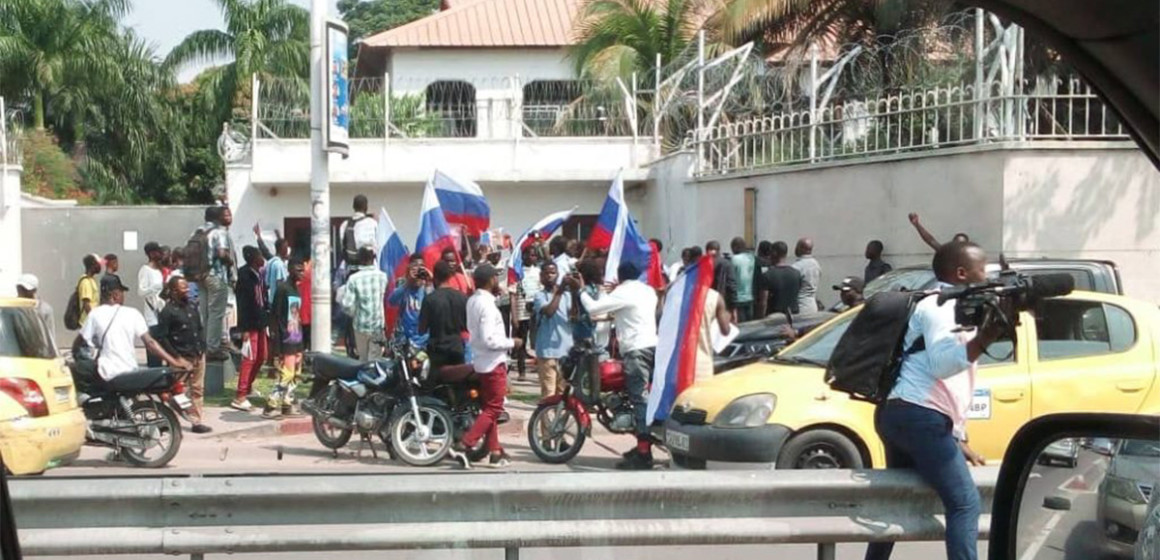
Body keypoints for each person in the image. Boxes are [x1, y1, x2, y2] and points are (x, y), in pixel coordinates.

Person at [863, 241, 1000, 560]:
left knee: (897, 502)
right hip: (918, 416)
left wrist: (957, 437)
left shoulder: (956, 306)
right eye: (983, 269)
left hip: (904, 414)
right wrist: (984, 339)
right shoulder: (940, 306)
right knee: (965, 503)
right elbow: (941, 366)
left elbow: (948, 385)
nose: (988, 276)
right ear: (962, 273)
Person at [571, 262, 658, 470]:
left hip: (636, 350)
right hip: (652, 346)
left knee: (639, 398)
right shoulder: (648, 291)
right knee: (635, 396)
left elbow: (593, 308)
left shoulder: (624, 292)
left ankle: (644, 453)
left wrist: (581, 290)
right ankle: (641, 443)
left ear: (620, 276)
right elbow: (620, 312)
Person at [455, 263, 523, 469]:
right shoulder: (486, 305)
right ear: (491, 280)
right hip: (493, 362)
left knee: (489, 408)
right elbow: (489, 339)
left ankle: (495, 452)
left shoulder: (473, 301)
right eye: (496, 277)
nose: (497, 281)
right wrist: (512, 343)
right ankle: (466, 443)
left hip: (481, 361)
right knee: (494, 408)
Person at [77, 276, 189, 382]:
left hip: (107, 373)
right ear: (115, 295)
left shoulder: (95, 314)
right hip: (131, 371)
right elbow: (150, 343)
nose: (123, 296)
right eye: (122, 293)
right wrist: (174, 362)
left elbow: (80, 343)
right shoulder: (132, 313)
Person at [155, 276, 212, 434]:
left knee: (197, 389)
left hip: (198, 354)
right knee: (177, 391)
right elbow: (162, 337)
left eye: (187, 286)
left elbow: (199, 328)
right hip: (181, 357)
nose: (187, 290)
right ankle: (167, 420)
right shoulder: (168, 311)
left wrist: (203, 348)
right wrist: (176, 358)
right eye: (183, 287)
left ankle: (196, 422)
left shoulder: (192, 307)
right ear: (174, 291)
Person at [266, 258, 306, 419]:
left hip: (297, 336)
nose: (302, 273)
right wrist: (276, 343)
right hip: (286, 338)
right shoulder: (283, 289)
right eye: (298, 270)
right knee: (287, 373)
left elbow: (296, 316)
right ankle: (270, 405)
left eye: (303, 270)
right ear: (290, 270)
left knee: (296, 372)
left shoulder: (296, 289)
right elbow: (274, 316)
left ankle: (287, 403)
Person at [232, 246, 267, 411]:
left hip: (260, 322)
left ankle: (248, 387)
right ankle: (240, 396)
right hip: (250, 324)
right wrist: (244, 328)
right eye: (259, 255)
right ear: (253, 258)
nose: (262, 258)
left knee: (261, 356)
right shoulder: (244, 276)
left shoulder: (258, 274)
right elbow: (243, 304)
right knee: (249, 358)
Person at [341, 248, 390, 362]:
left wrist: (355, 314)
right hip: (378, 326)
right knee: (375, 360)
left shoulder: (353, 279)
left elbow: (347, 305)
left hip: (360, 327)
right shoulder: (383, 277)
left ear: (359, 259)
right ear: (373, 259)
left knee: (363, 360)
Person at [419, 261, 469, 372]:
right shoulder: (462, 297)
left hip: (437, 351)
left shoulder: (430, 299)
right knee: (458, 379)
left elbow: (422, 329)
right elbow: (468, 326)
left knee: (435, 381)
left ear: (435, 277)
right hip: (457, 348)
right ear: (450, 276)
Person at [533, 263, 572, 398]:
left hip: (566, 350)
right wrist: (559, 291)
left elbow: (575, 314)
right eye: (546, 273)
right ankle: (545, 413)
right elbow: (549, 311)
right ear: (541, 277)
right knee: (549, 394)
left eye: (553, 273)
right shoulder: (540, 296)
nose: (550, 276)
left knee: (564, 394)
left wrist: (576, 289)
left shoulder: (567, 296)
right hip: (547, 351)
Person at [203, 206, 237, 361]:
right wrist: (230, 262)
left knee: (205, 313)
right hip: (217, 276)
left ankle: (205, 344)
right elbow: (222, 253)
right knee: (217, 313)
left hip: (200, 276)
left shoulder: (199, 231)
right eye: (225, 214)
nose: (229, 217)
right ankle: (213, 348)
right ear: (218, 217)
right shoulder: (219, 232)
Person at [510, 247, 543, 380]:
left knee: (537, 341)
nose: (532, 257)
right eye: (529, 255)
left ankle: (540, 369)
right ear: (523, 256)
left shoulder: (538, 272)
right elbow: (512, 294)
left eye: (534, 255)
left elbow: (541, 290)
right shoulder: (517, 272)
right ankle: (521, 370)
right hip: (521, 311)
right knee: (521, 343)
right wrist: (514, 316)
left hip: (536, 311)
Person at [389, 254, 431, 348]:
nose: (418, 270)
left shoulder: (427, 286)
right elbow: (392, 301)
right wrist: (409, 282)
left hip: (422, 338)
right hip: (404, 337)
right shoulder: (402, 283)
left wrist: (428, 283)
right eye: (415, 266)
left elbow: (433, 305)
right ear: (409, 268)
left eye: (421, 266)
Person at [138, 243, 167, 367]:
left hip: (162, 311)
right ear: (151, 254)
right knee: (153, 346)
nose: (161, 254)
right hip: (152, 315)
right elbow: (141, 291)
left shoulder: (158, 271)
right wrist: (155, 288)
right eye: (158, 252)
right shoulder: (145, 270)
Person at [760, 241, 802, 318]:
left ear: (774, 253)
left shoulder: (767, 275)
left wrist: (761, 317)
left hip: (775, 316)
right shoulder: (796, 273)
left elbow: (763, 302)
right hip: (794, 315)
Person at [16, 274, 56, 350]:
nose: (21, 292)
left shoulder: (44, 309)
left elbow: (50, 335)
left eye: (25, 289)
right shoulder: (12, 308)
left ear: (34, 290)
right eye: (20, 288)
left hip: (38, 351)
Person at [343, 194, 378, 265]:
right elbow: (378, 243)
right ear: (366, 207)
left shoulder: (345, 225)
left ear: (353, 207)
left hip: (351, 266)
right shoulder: (372, 223)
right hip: (370, 266)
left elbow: (343, 246)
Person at [704, 241, 737, 313]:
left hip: (706, 303)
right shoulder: (727, 264)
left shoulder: (701, 265)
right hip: (722, 303)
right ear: (719, 251)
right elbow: (731, 286)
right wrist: (733, 307)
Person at [729, 237, 757, 322]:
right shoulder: (751, 258)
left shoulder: (734, 259)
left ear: (735, 247)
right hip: (749, 296)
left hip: (738, 298)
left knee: (740, 325)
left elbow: (731, 278)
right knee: (749, 324)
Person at [792, 238, 821, 314]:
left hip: (800, 307)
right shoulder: (816, 264)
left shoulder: (797, 267)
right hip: (813, 305)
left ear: (802, 248)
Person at [76, 254, 102, 327]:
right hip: (87, 323)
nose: (100, 267)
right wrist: (94, 320)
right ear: (92, 266)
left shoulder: (91, 280)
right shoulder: (86, 282)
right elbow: (86, 305)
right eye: (98, 264)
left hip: (91, 322)